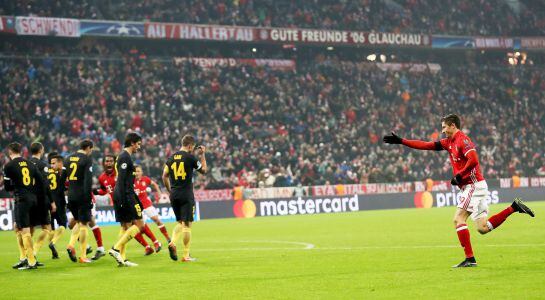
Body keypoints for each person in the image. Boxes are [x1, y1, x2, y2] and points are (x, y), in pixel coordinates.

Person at [383, 114, 535, 267]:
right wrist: (402, 141)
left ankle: (470, 259)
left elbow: (474, 160)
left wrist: (459, 175)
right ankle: (514, 207)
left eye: (444, 127)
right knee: (483, 228)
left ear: (453, 126)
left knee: (458, 219)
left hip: (473, 185)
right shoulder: (448, 142)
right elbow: (425, 145)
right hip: (476, 186)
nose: (442, 131)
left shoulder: (463, 140)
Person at [162, 135, 207, 262]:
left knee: (181, 223)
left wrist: (170, 190)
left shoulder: (171, 158)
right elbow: (204, 170)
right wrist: (202, 155)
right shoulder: (190, 157)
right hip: (186, 194)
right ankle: (185, 254)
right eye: (193, 147)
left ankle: (173, 242)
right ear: (190, 146)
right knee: (187, 224)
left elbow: (164, 175)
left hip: (174, 194)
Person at [3, 142, 45, 270]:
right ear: (21, 151)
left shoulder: (9, 166)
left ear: (10, 152)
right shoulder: (30, 164)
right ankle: (23, 257)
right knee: (17, 227)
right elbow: (40, 181)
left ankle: (31, 261)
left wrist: (17, 184)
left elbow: (7, 187)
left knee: (25, 230)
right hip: (33, 199)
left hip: (21, 199)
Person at [108, 133, 145, 267]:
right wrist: (125, 199)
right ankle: (116, 248)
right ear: (132, 143)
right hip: (125, 194)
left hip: (124, 193)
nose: (139, 147)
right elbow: (123, 179)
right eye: (138, 144)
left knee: (125, 226)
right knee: (140, 225)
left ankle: (122, 258)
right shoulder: (125, 157)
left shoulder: (123, 156)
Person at [65, 139, 94, 263]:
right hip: (82, 195)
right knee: (83, 225)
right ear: (88, 148)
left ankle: (71, 245)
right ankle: (83, 256)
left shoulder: (68, 158)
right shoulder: (87, 159)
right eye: (91, 150)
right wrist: (88, 197)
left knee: (77, 221)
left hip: (70, 195)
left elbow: (64, 178)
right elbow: (88, 180)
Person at [28, 142, 56, 263]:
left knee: (30, 229)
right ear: (40, 150)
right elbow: (46, 185)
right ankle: (33, 252)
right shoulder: (43, 165)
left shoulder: (26, 164)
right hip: (41, 200)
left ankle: (26, 256)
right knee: (47, 228)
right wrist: (52, 201)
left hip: (29, 199)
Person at [134, 165, 170, 252]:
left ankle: (168, 238)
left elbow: (155, 184)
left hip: (147, 204)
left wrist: (159, 193)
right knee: (141, 228)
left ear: (142, 172)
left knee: (157, 220)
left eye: (139, 171)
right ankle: (153, 244)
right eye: (136, 171)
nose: (137, 173)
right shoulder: (131, 181)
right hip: (137, 207)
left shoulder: (145, 179)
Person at [47, 153, 68, 259]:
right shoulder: (62, 172)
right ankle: (53, 242)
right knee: (63, 224)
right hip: (58, 201)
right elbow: (61, 187)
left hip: (48, 201)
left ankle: (53, 254)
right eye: (51, 163)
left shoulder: (46, 172)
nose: (52, 165)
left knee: (51, 227)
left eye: (53, 163)